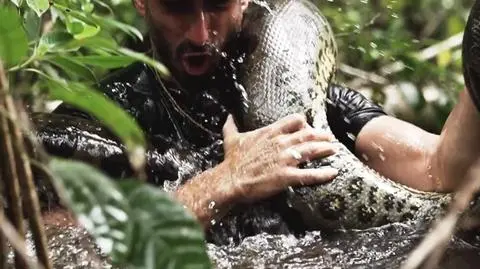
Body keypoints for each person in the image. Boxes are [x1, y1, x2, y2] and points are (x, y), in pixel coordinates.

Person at [40, 0, 480, 236]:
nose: (200, 32)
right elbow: (49, 247)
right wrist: (221, 183)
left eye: (216, 4)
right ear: (141, 2)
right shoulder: (101, 114)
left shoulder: (311, 105)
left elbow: (440, 169)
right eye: (176, 7)